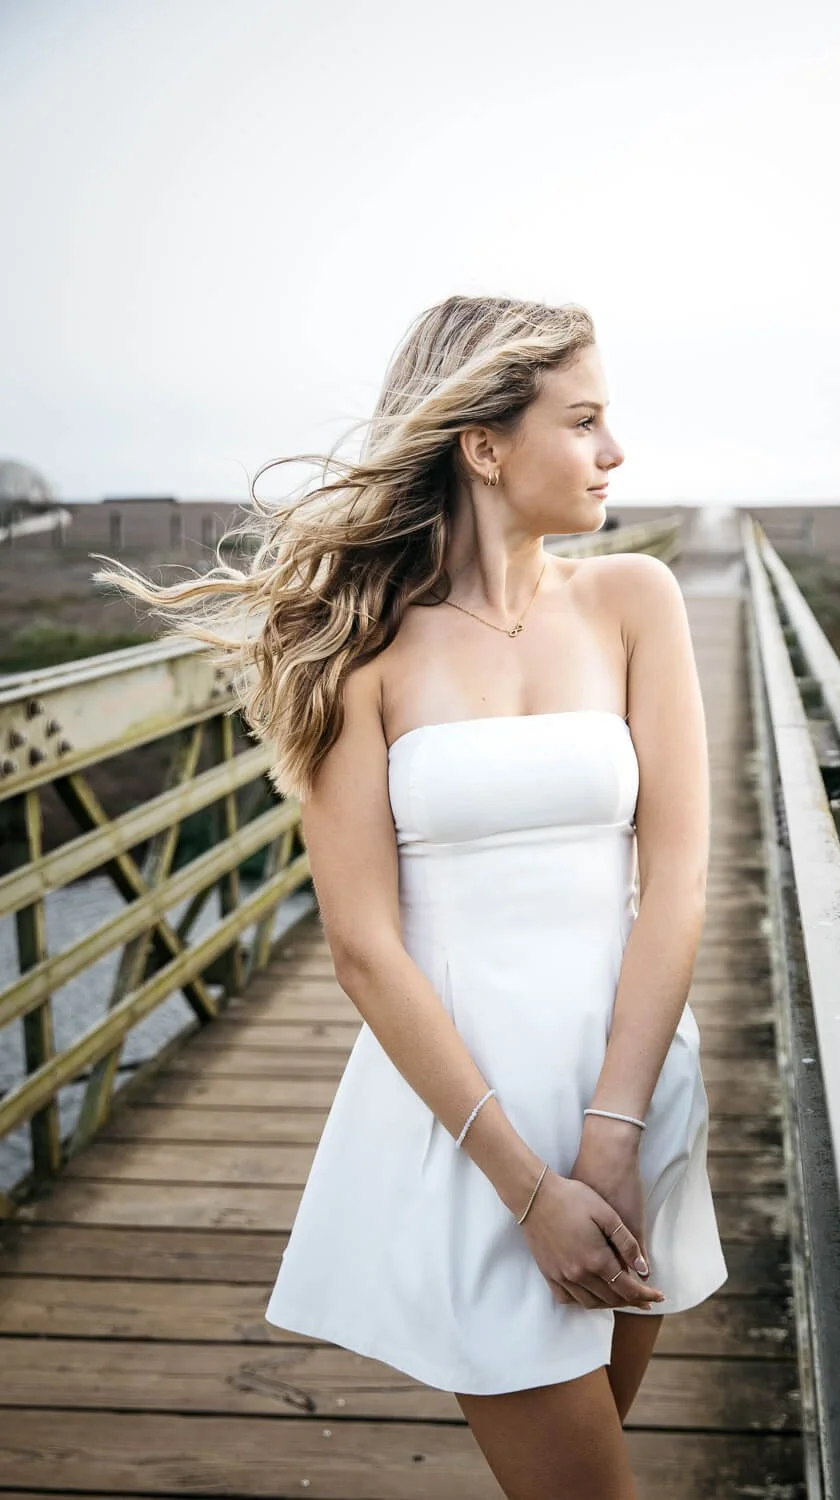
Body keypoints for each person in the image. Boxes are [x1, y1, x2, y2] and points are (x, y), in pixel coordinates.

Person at [93, 294, 727, 1499]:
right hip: (474, 1134)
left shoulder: (634, 600)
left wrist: (615, 1130)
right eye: (582, 421)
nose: (614, 452)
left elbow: (680, 878)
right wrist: (530, 1186)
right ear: (484, 447)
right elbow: (362, 946)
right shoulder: (357, 649)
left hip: (633, 1104)